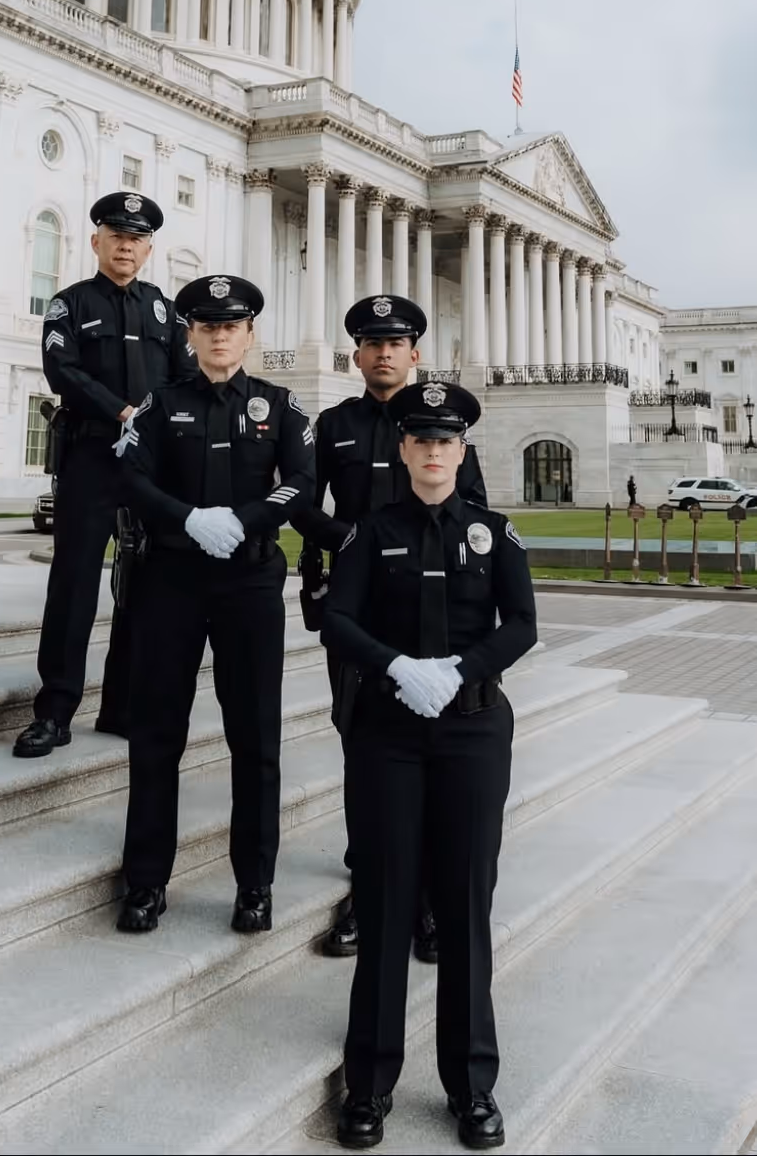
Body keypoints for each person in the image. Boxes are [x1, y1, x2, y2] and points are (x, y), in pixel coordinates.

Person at [321, 381, 537, 1151]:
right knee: (383, 902)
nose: (435, 451)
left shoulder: (494, 533)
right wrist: (394, 668)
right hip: (389, 733)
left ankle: (472, 1087)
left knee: (466, 906)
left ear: (462, 451)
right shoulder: (369, 533)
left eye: (447, 441)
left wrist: (461, 667)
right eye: (422, 440)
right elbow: (337, 619)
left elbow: (523, 625)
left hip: (473, 730)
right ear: (403, 449)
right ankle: (370, 1083)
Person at [113, 274, 316, 935]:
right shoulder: (157, 404)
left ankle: (254, 884)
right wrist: (189, 518)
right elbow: (131, 478)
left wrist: (249, 519)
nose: (219, 335)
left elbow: (304, 483)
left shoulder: (280, 407)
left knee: (254, 739)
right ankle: (145, 882)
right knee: (156, 736)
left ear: (250, 335)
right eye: (206, 325)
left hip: (250, 584)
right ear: (189, 334)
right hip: (171, 579)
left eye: (231, 326)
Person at [13, 192, 196, 758]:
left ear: (148, 249)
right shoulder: (68, 304)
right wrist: (122, 411)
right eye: (116, 235)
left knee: (142, 589)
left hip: (147, 466)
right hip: (91, 460)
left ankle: (121, 706)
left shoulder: (166, 312)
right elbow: (60, 371)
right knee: (73, 585)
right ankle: (56, 710)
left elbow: (184, 379)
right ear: (96, 242)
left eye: (136, 238)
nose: (126, 245)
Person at [291, 295, 443, 963]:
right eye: (372, 341)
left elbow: (472, 508)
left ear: (415, 353)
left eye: (397, 341)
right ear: (355, 354)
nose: (384, 351)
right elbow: (301, 501)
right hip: (356, 612)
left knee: (432, 746)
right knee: (362, 744)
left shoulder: (438, 420)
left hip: (425, 609)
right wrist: (348, 539)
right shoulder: (333, 424)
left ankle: (429, 896)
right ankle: (371, 881)